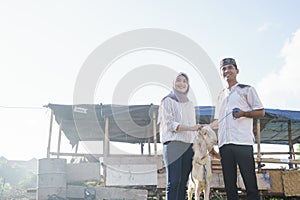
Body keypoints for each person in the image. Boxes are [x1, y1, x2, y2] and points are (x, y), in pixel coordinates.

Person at [212, 58, 265, 200]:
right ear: (221, 73)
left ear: (237, 71)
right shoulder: (219, 96)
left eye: (230, 67)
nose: (227, 71)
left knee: (250, 183)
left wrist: (244, 113)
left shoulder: (247, 89)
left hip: (243, 142)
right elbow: (217, 121)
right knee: (229, 185)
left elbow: (260, 111)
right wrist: (203, 129)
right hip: (224, 144)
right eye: (224, 69)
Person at [158, 72, 202, 200]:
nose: (182, 83)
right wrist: (192, 128)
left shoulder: (190, 104)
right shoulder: (167, 100)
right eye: (178, 80)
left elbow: (193, 128)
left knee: (183, 183)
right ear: (173, 83)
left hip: (188, 146)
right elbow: (171, 124)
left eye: (185, 81)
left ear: (188, 85)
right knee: (174, 181)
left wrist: (199, 131)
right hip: (173, 144)